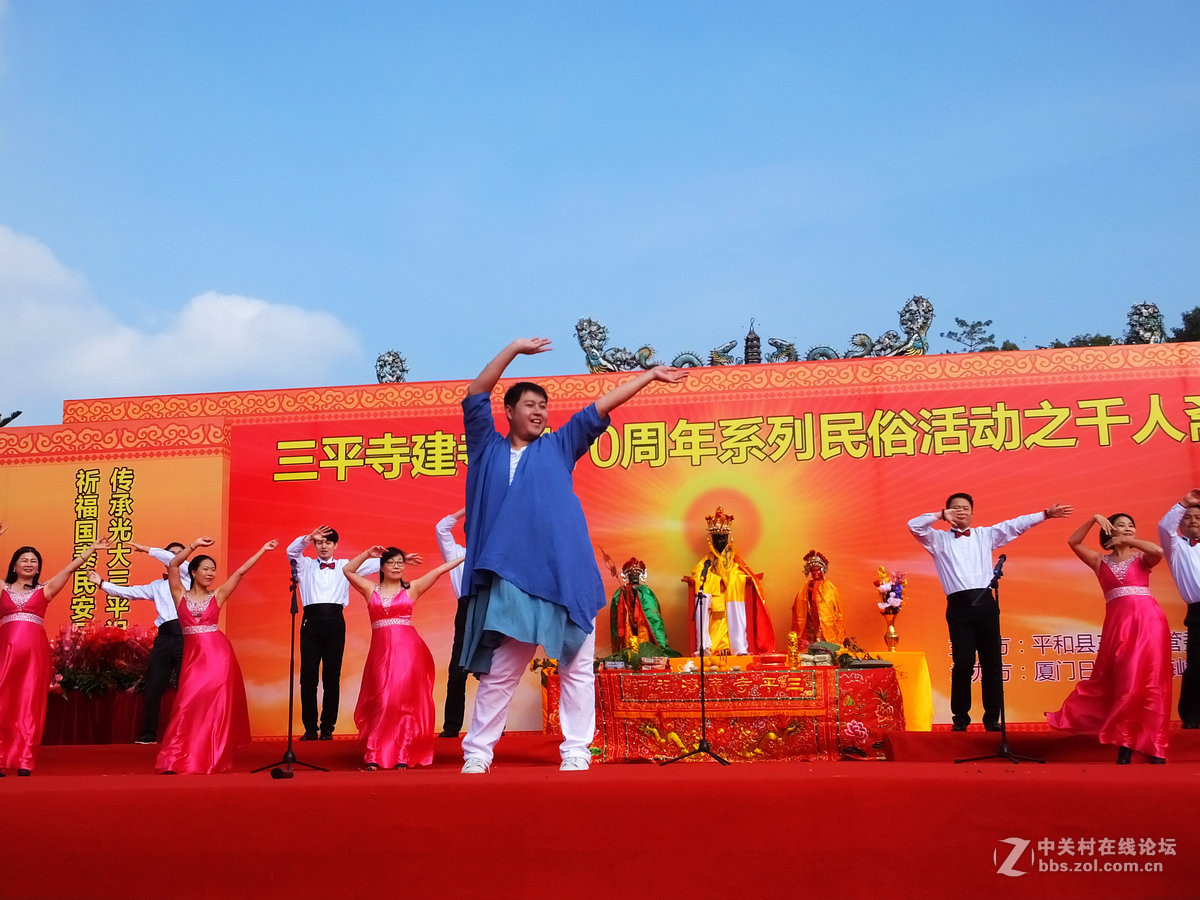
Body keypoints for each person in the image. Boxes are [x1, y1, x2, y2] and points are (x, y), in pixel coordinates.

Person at [458, 337, 687, 774]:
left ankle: (577, 748)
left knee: (577, 666)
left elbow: (600, 408)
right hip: (511, 579)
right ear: (509, 411)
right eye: (530, 405)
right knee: (503, 671)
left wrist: (650, 376)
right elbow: (475, 393)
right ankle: (478, 753)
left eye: (544, 406)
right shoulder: (486, 448)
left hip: (564, 575)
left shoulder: (559, 446)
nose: (540, 412)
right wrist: (512, 350)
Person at [908, 494, 1073, 731]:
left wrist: (1045, 514)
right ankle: (961, 719)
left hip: (985, 603)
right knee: (963, 664)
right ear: (946, 514)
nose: (961, 512)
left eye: (965, 508)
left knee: (992, 664)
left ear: (973, 513)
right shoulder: (937, 539)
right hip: (959, 607)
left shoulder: (984, 535)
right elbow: (913, 525)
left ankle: (992, 719)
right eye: (955, 509)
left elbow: (1015, 525)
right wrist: (938, 516)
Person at [1048, 513, 1171, 763]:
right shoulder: (1098, 561)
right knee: (1124, 683)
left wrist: (1129, 540)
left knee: (1152, 683)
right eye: (1121, 525)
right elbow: (1074, 542)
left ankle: (1153, 745)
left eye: (1131, 526)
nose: (1127, 529)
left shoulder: (1142, 558)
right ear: (1109, 531)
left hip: (1149, 624)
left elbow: (1157, 550)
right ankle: (1124, 740)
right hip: (1118, 626)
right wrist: (1093, 518)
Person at [157, 536, 276, 774]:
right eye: (206, 569)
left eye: (213, 570)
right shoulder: (179, 593)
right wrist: (194, 546)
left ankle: (210, 757)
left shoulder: (218, 595)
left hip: (219, 657)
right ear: (192, 572)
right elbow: (172, 565)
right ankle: (174, 758)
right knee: (186, 705)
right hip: (194, 658)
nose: (211, 574)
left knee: (214, 708)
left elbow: (241, 572)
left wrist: (263, 549)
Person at [0, 529, 110, 775]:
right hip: (4, 653)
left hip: (33, 655)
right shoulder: (3, 589)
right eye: (24, 560)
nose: (29, 564)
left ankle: (25, 757)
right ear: (14, 565)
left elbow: (69, 570)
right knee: (3, 701)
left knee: (29, 702)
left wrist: (90, 550)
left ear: (38, 568)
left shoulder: (45, 590)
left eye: (34, 561)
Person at [344, 545, 464, 770]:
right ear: (382, 567)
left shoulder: (413, 588)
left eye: (400, 562)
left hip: (409, 653)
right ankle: (374, 753)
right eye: (392, 562)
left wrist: (469, 554)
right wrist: (367, 554)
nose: (397, 566)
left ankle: (402, 753)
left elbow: (440, 570)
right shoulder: (371, 589)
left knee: (403, 702)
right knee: (381, 699)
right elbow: (349, 571)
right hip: (379, 654)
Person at [286, 526, 383, 741]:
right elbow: (291, 551)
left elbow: (378, 562)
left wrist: (400, 557)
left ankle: (328, 726)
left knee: (332, 676)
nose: (323, 546)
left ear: (335, 545)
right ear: (314, 545)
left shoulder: (344, 566)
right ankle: (310, 728)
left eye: (328, 542)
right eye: (319, 542)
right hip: (310, 622)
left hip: (335, 623)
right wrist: (308, 537)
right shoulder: (305, 565)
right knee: (308, 677)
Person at [89, 541, 191, 743]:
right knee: (153, 685)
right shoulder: (157, 586)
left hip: (186, 636)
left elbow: (175, 563)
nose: (175, 558)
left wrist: (148, 549)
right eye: (171, 554)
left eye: (180, 555)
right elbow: (129, 592)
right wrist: (102, 584)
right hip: (164, 638)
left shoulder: (191, 579)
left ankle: (187, 734)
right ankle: (148, 733)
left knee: (186, 686)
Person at [687, 506, 774, 656]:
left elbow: (741, 575)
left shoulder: (735, 563)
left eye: (723, 538)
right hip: (713, 606)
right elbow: (697, 574)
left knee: (732, 617)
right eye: (716, 538)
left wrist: (730, 579)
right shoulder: (705, 564)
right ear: (711, 539)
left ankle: (736, 647)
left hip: (730, 603)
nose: (720, 542)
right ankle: (707, 648)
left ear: (728, 539)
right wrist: (714, 579)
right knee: (712, 622)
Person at [1157, 490, 1200, 729]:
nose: (1193, 521)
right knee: (1197, 666)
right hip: (1198, 611)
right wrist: (1184, 503)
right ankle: (1192, 717)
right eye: (1188, 517)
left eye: (1198, 517)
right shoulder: (1177, 547)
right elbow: (1165, 527)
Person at [434, 508, 469, 737]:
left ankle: (495, 727)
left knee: (494, 672)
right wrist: (468, 509)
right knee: (457, 672)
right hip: (466, 611)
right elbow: (441, 528)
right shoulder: (457, 553)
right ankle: (451, 727)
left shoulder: (498, 555)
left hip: (492, 612)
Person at [609, 557, 674, 656]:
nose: (634, 577)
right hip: (627, 624)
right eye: (631, 575)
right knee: (628, 647)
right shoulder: (621, 591)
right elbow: (616, 612)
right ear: (627, 576)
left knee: (645, 644)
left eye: (636, 575)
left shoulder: (646, 592)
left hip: (642, 623)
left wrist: (637, 597)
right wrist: (625, 596)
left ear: (640, 576)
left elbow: (653, 612)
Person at [791, 549, 845, 648]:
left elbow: (837, 610)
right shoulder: (805, 587)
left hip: (824, 623)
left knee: (825, 644)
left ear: (822, 570)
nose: (815, 572)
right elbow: (798, 607)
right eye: (812, 570)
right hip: (810, 620)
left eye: (817, 569)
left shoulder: (829, 588)